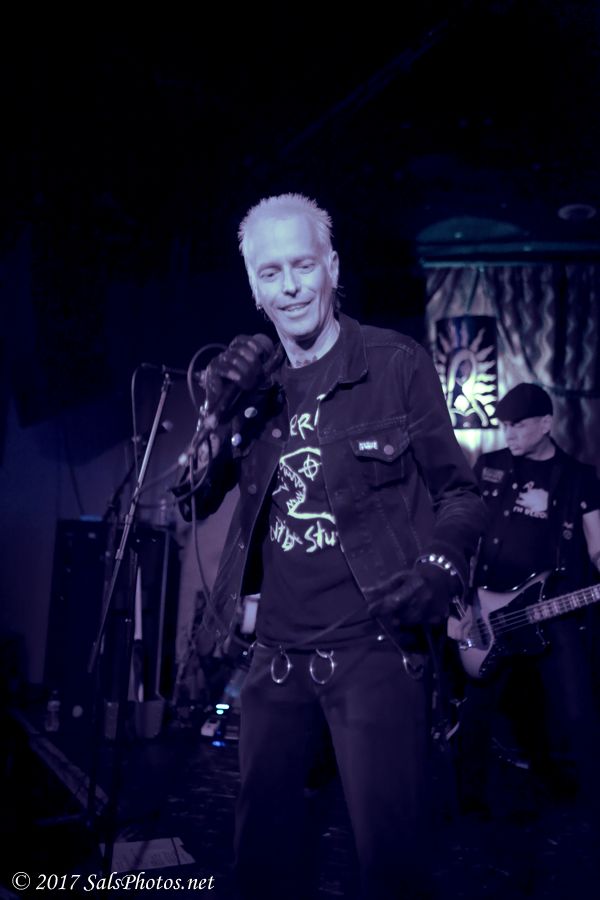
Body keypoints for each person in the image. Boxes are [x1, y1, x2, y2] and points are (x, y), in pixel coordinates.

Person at [175, 193, 486, 899]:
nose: (290, 287)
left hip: (375, 653)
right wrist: (216, 415)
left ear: (333, 268)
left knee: (392, 867)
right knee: (261, 867)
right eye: (272, 272)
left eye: (304, 266)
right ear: (255, 288)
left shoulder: (395, 363)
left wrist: (440, 570)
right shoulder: (253, 390)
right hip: (275, 661)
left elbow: (461, 494)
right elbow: (192, 497)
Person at [455, 382, 600, 818]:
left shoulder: (577, 477)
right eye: (505, 425)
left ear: (546, 423)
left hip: (551, 609)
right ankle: (468, 802)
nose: (509, 433)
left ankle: (588, 802)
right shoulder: (490, 465)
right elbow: (465, 536)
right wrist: (460, 603)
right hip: (490, 610)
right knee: (477, 709)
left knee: (576, 709)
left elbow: (596, 546)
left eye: (518, 425)